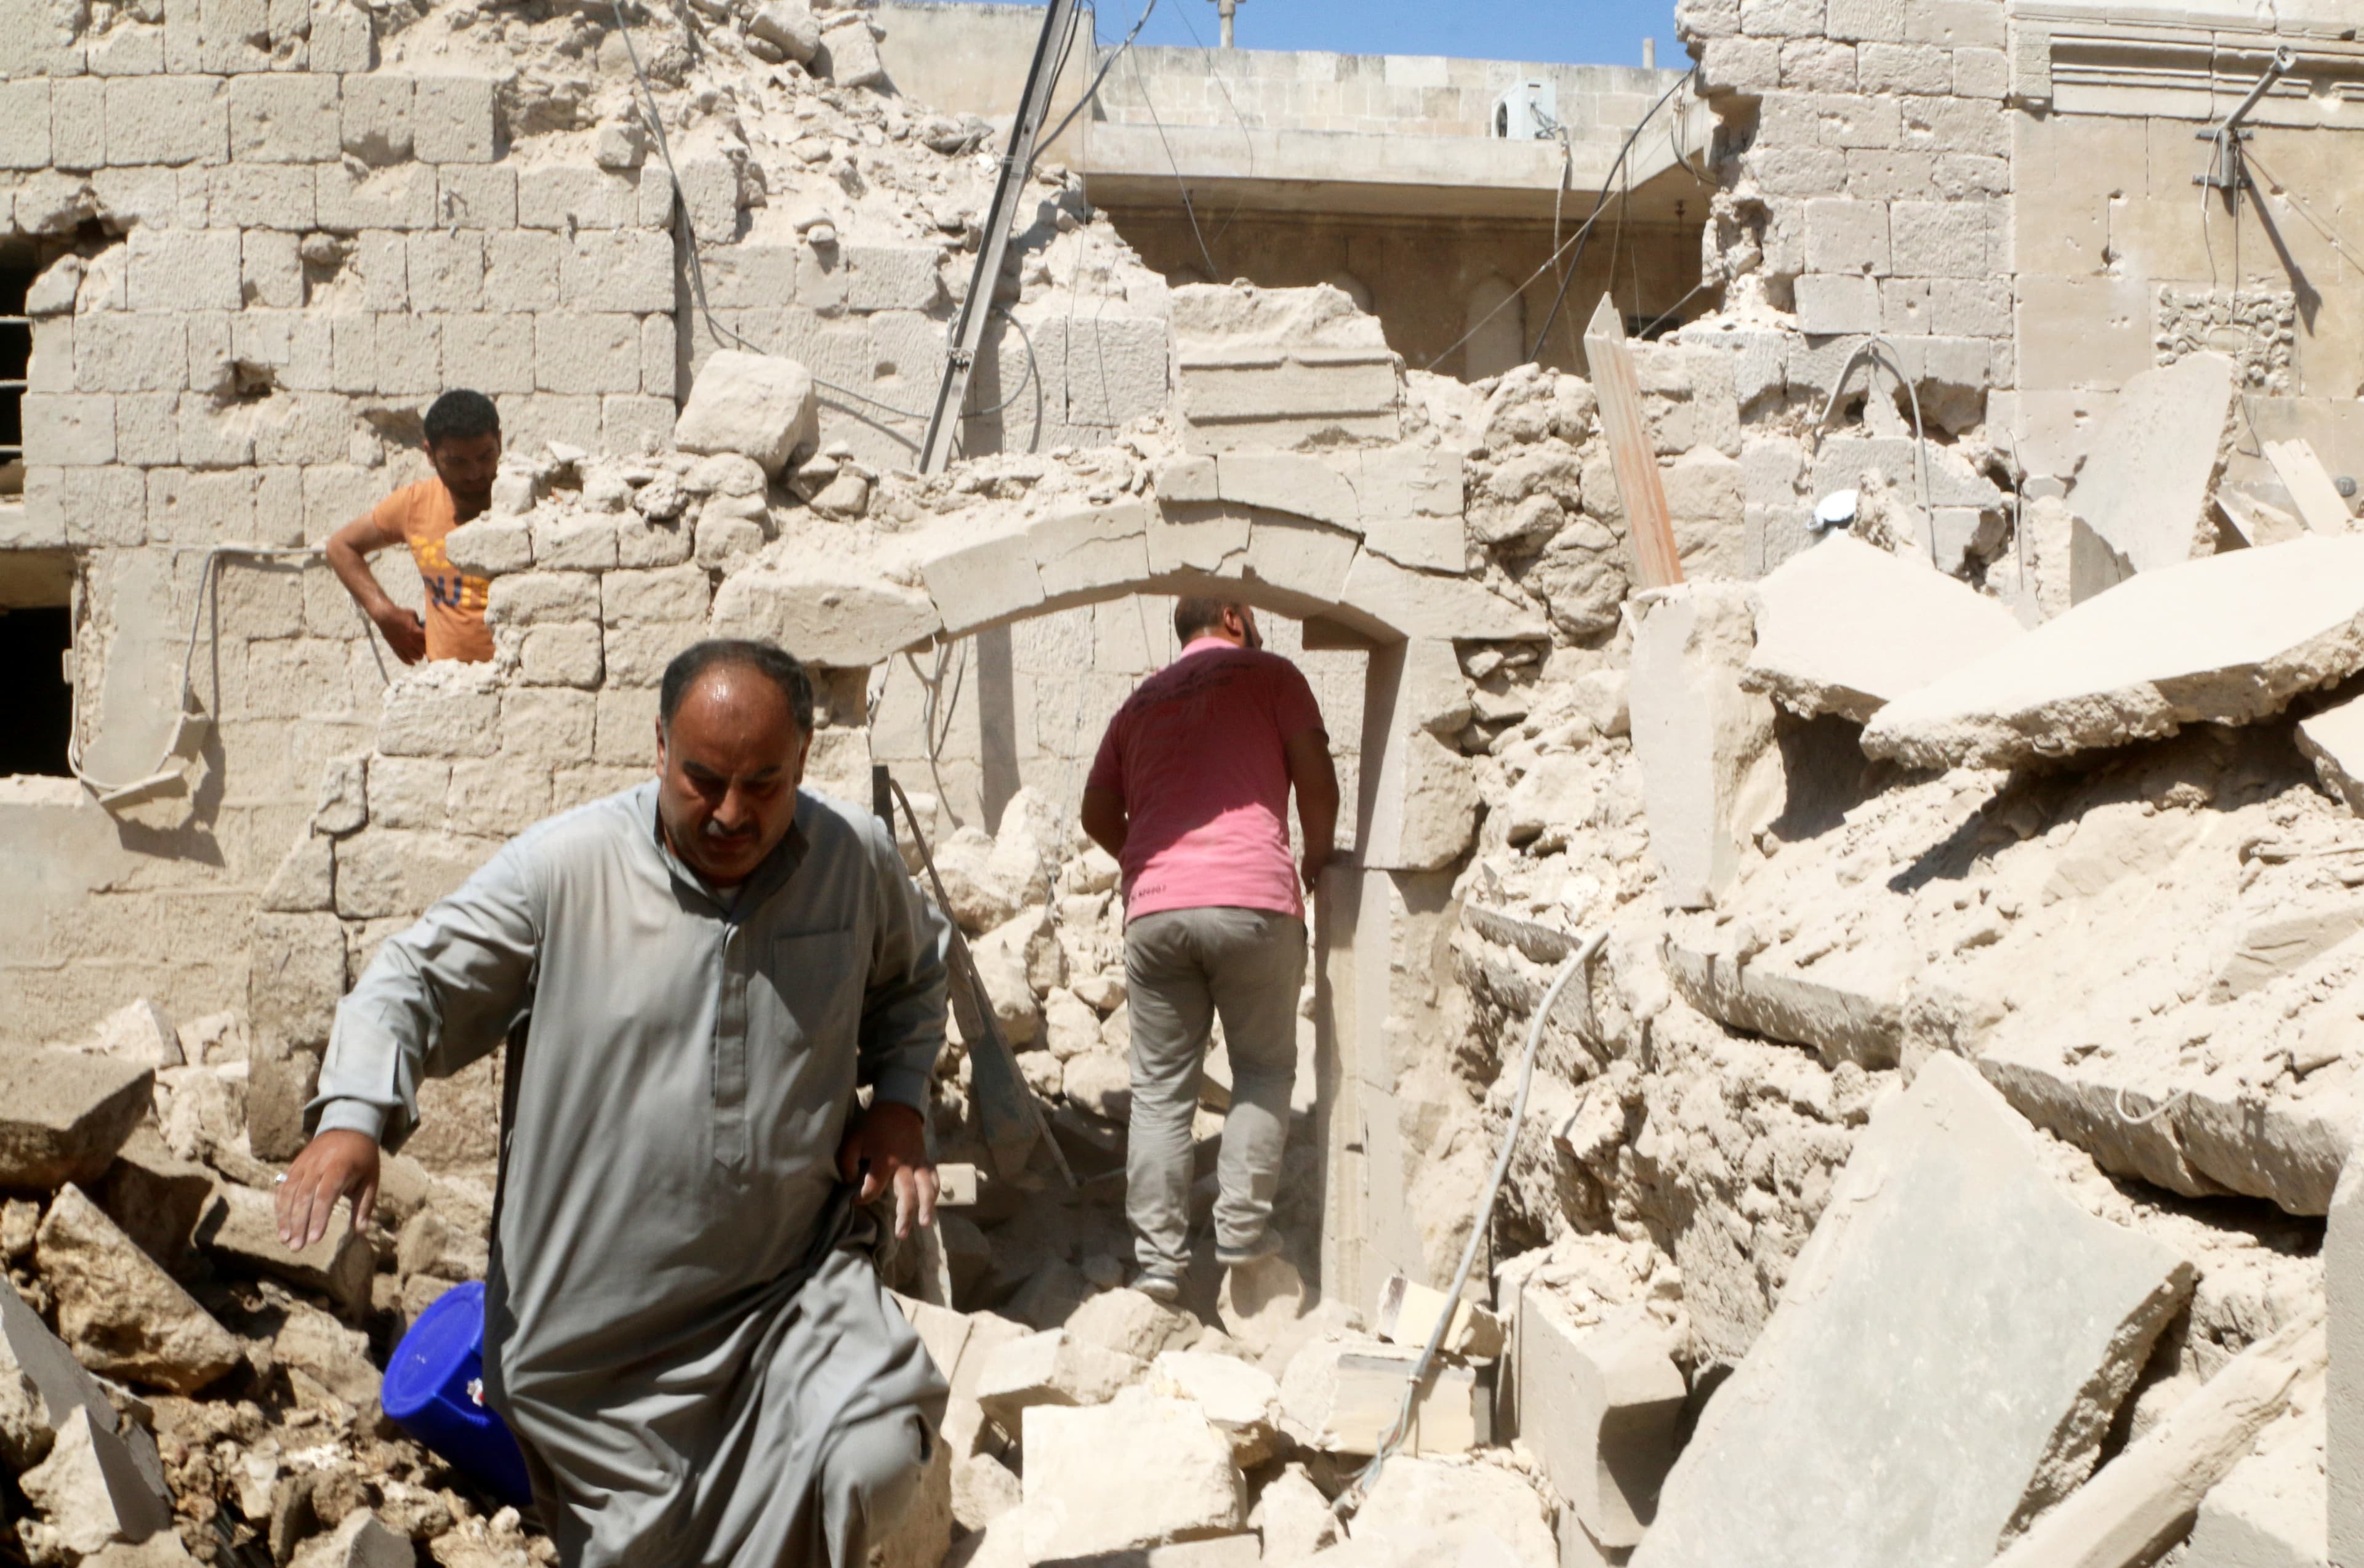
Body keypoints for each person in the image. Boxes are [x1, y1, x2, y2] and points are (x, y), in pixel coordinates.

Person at [275, 639, 951, 1568]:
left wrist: (900, 1102)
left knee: (870, 1454)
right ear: (658, 749)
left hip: (786, 1293)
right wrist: (355, 1112)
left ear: (802, 763)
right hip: (595, 1352)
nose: (730, 813)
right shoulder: (564, 870)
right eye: (702, 778)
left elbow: (917, 978)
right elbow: (411, 980)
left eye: (764, 783)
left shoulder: (852, 860)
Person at [1079, 597, 1339, 1303]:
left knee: (1161, 1093)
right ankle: (1244, 1237)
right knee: (1261, 1069)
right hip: (1253, 901)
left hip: (1156, 913)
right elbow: (1316, 775)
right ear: (1232, 616)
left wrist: (1145, 858)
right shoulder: (1272, 675)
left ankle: (1159, 1264)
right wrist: (1316, 860)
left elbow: (1095, 809)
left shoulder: (1140, 703)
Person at [325, 388, 504, 665]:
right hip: (449, 689)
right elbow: (341, 547)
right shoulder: (415, 504)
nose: (474, 473)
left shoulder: (534, 507)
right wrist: (383, 613)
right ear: (430, 454)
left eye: (485, 456)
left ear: (499, 443)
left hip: (519, 688)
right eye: (457, 462)